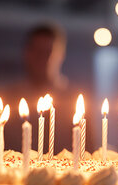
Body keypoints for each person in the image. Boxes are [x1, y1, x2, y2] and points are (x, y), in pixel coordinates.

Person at [5, 23, 89, 154]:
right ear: (27, 53)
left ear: (61, 54)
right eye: (37, 51)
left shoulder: (77, 100)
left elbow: (89, 148)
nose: (42, 58)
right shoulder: (9, 98)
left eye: (48, 52)